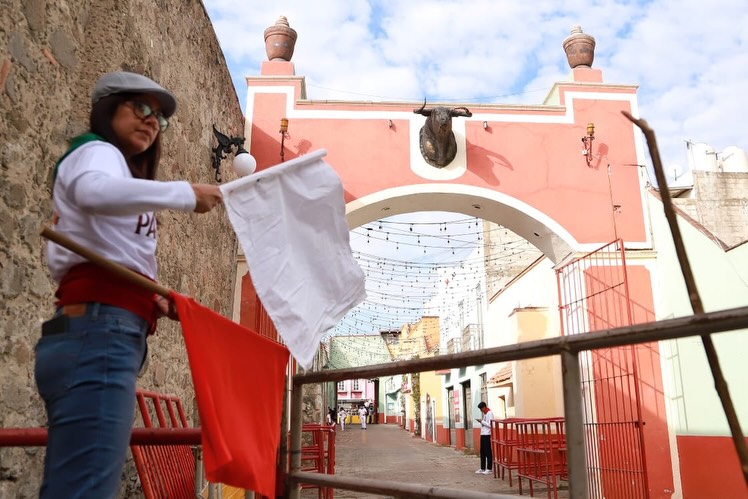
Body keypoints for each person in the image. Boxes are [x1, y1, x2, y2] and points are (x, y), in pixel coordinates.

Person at [34, 71, 223, 498]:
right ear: (108, 108)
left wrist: (148, 296)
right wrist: (183, 194)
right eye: (140, 107)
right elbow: (93, 192)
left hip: (94, 329)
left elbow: (88, 258)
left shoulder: (112, 167)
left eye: (159, 117)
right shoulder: (97, 151)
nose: (152, 120)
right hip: (98, 333)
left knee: (75, 485)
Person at [474, 401, 494, 475]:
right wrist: (481, 421)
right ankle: (482, 468)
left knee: (488, 451)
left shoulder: (489, 413)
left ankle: (489, 468)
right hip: (483, 434)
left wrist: (482, 421)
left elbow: (490, 425)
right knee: (482, 452)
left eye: (481, 409)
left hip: (487, 434)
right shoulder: (485, 414)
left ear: (484, 407)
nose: (481, 410)